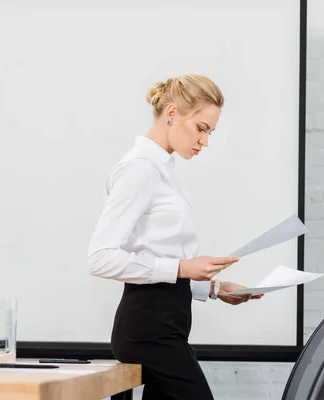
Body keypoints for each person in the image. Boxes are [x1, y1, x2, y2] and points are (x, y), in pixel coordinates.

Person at [87, 73, 262, 399]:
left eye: (210, 132)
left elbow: (154, 251)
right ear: (172, 114)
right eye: (200, 128)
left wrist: (215, 288)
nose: (205, 141)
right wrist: (183, 268)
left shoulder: (163, 169)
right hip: (149, 332)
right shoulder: (140, 169)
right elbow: (100, 258)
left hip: (168, 328)